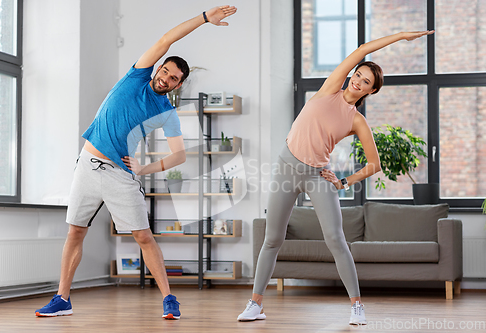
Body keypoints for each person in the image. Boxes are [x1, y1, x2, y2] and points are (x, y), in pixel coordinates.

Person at [35, 5, 237, 320]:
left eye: (174, 79)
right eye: (166, 72)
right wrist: (203, 19)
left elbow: (180, 155)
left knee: (143, 236)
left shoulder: (167, 113)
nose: (167, 78)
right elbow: (166, 39)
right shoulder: (136, 76)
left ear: (178, 85)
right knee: (75, 232)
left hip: (120, 175)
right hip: (87, 165)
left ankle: (170, 300)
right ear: (158, 69)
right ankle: (62, 298)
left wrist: (144, 169)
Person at [237, 30, 434, 325]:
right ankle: (255, 304)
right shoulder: (330, 88)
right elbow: (363, 48)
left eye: (366, 82)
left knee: (336, 239)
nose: (358, 81)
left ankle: (356, 305)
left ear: (371, 91)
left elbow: (374, 164)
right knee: (273, 239)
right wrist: (403, 36)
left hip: (317, 177)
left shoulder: (356, 120)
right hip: (285, 168)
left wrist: (344, 182)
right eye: (358, 75)